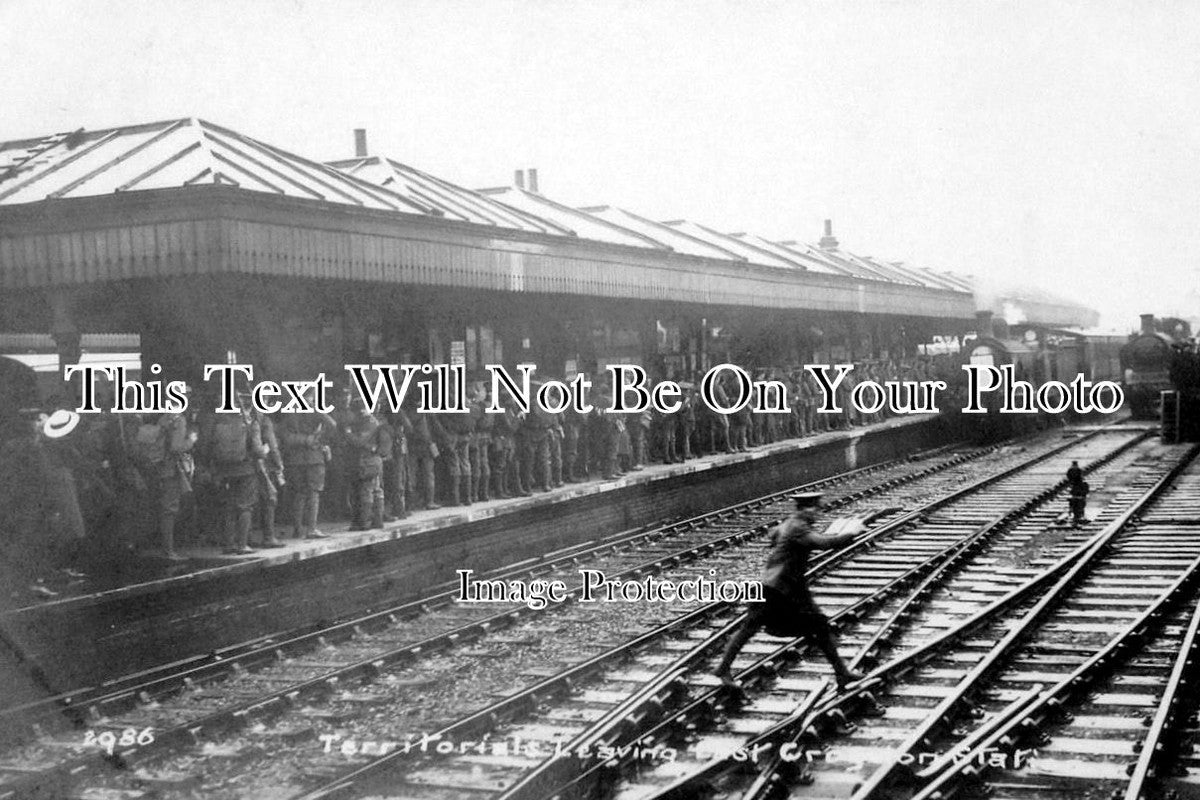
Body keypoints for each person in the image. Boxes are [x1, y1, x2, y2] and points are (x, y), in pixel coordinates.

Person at [714, 492, 865, 690]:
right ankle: (841, 673)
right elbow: (825, 544)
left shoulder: (790, 524)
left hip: (774, 585)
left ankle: (841, 673)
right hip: (779, 589)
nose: (817, 513)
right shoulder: (798, 527)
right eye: (813, 508)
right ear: (804, 509)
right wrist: (852, 532)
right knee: (816, 626)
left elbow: (774, 534)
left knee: (750, 628)